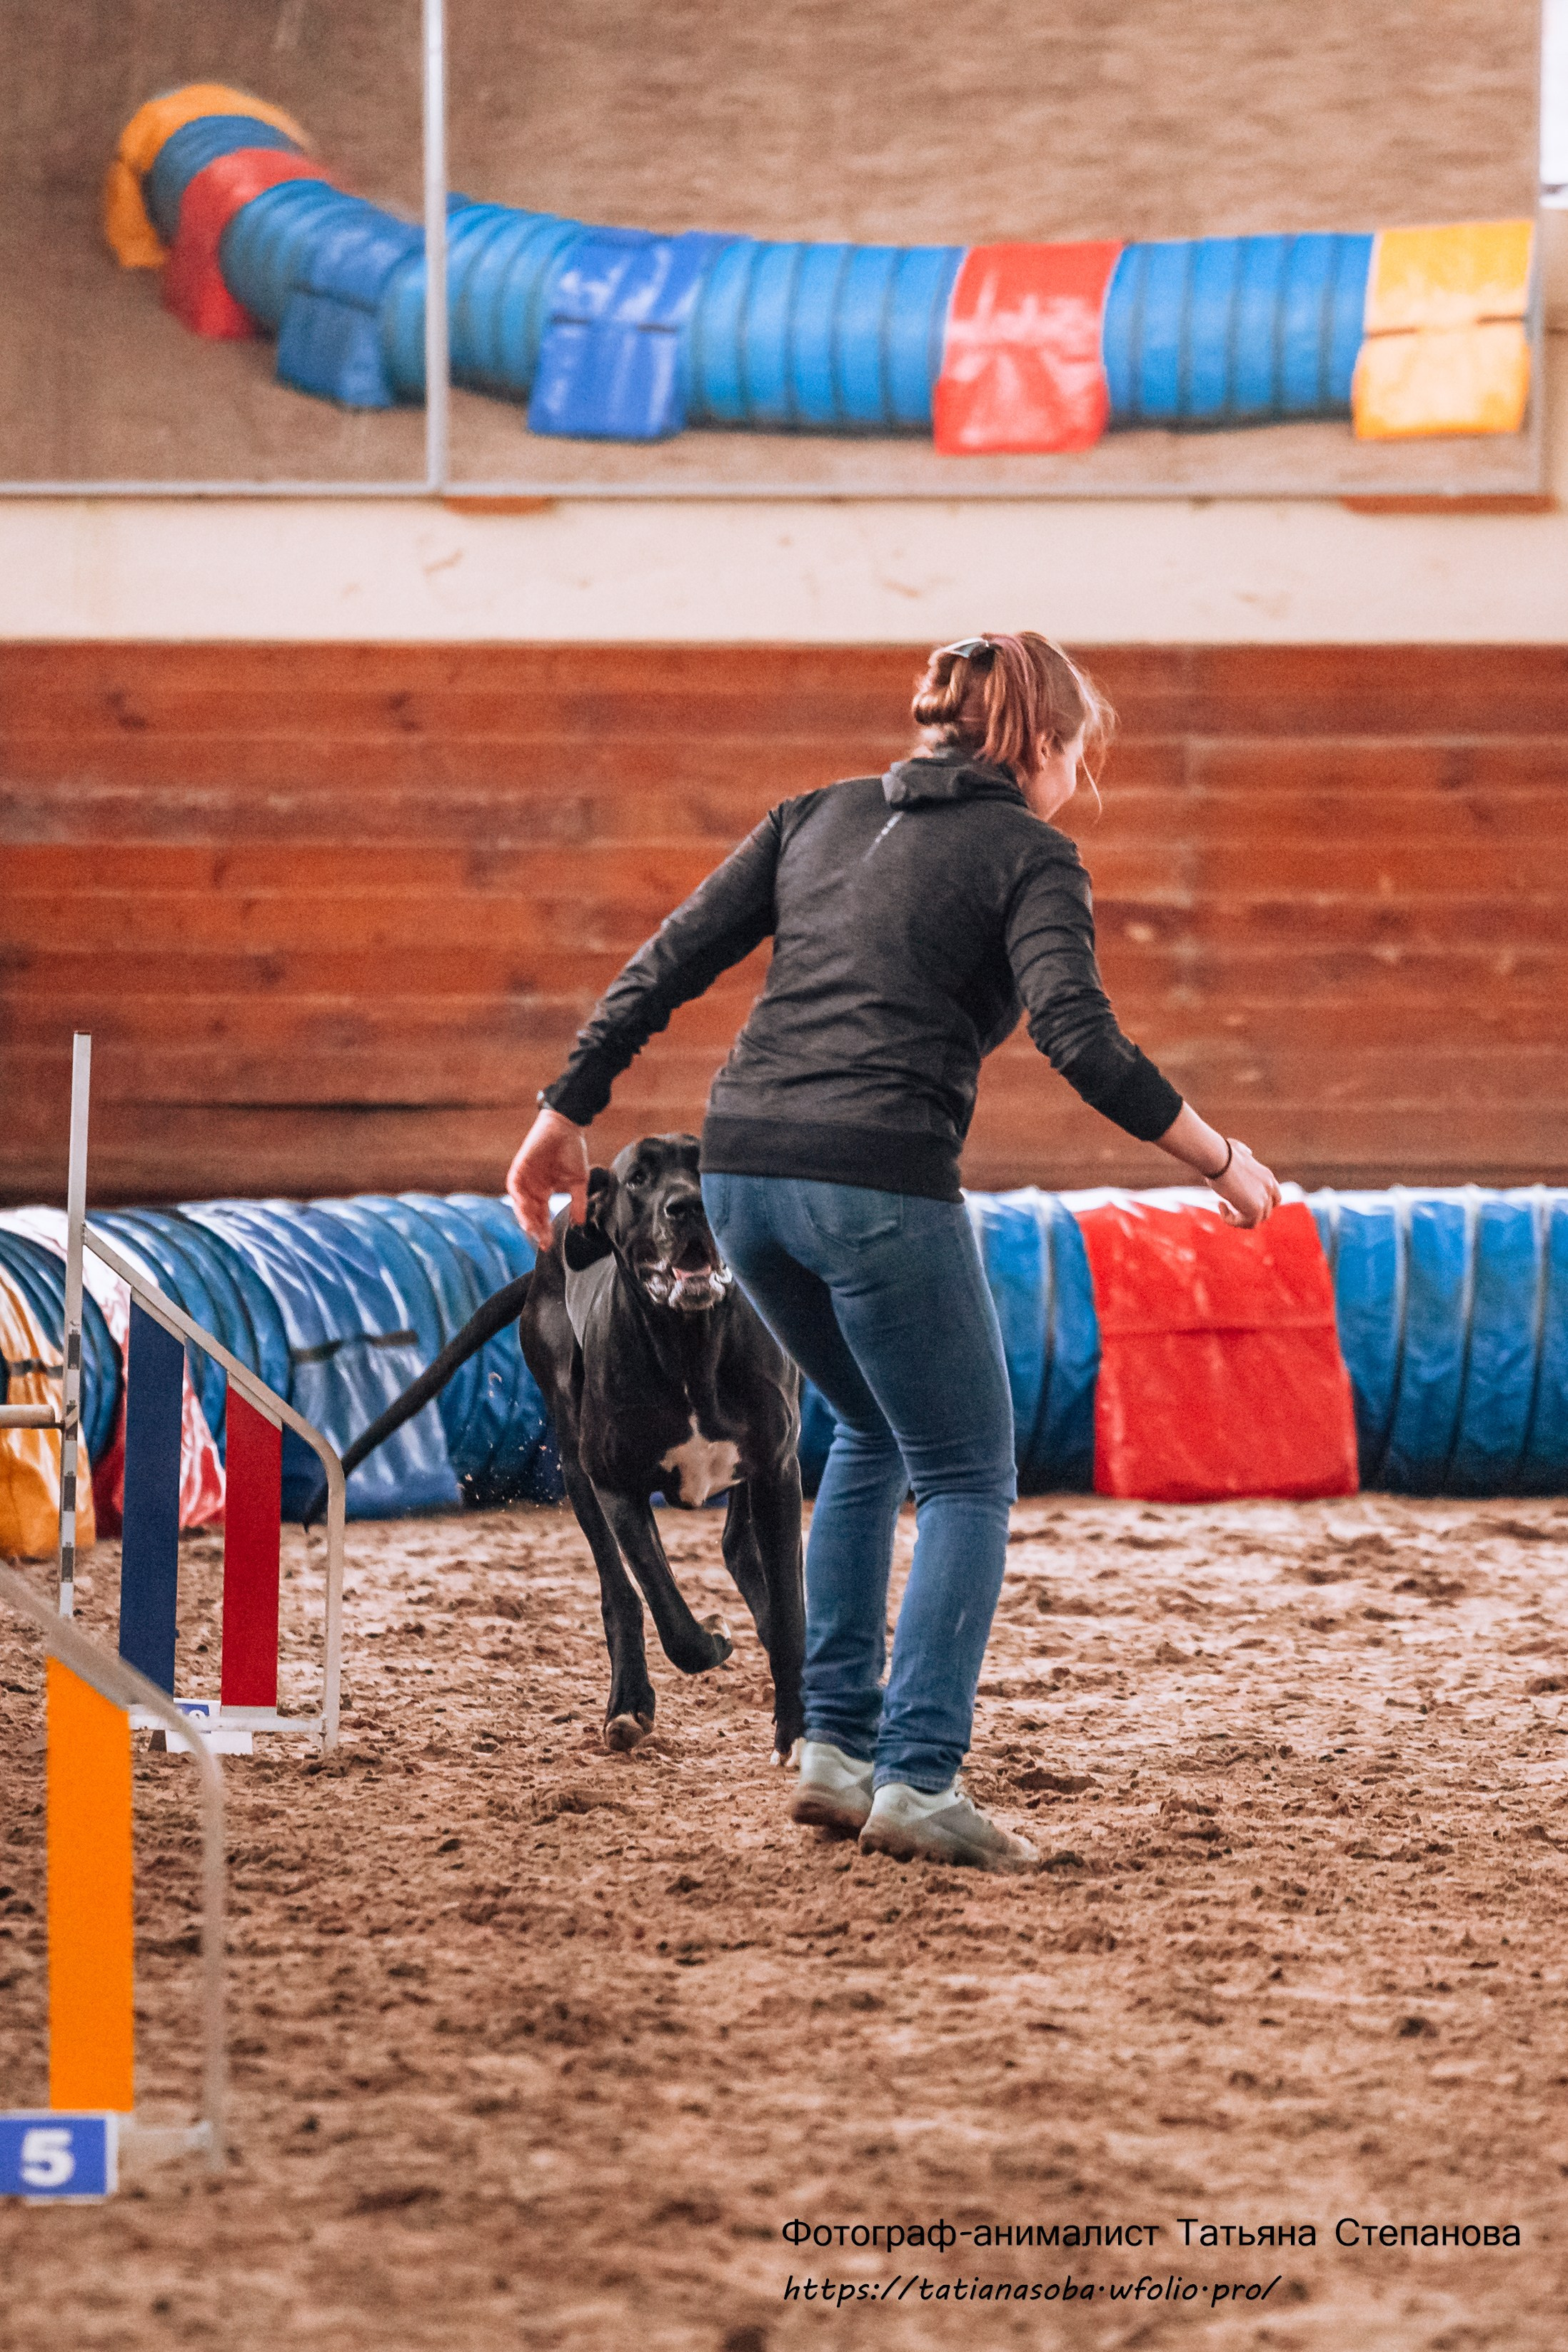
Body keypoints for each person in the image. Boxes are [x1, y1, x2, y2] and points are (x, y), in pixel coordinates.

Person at [507, 633, 1280, 1874]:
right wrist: (1223, 1159)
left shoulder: (812, 816)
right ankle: (919, 1777)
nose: (1081, 779)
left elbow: (670, 961)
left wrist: (562, 1109)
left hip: (746, 1170)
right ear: (1037, 746)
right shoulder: (1035, 854)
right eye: (1081, 753)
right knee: (971, 1470)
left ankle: (831, 1750)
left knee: (866, 1425)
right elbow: (1081, 1040)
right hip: (876, 1182)